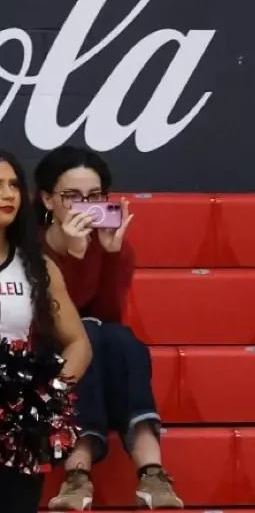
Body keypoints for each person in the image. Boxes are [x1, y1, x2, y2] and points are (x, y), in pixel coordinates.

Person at [35, 146, 182, 510]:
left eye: (95, 196)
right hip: (44, 345)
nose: (84, 206)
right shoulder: (29, 246)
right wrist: (74, 256)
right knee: (88, 334)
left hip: (98, 343)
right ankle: (77, 471)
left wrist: (110, 255)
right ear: (47, 200)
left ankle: (151, 472)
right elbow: (51, 316)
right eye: (71, 196)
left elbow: (108, 312)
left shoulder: (113, 245)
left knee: (118, 337)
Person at [0, 151, 90, 513]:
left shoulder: (38, 267)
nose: (8, 194)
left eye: (13, 185)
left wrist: (47, 394)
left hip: (13, 430)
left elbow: (79, 343)